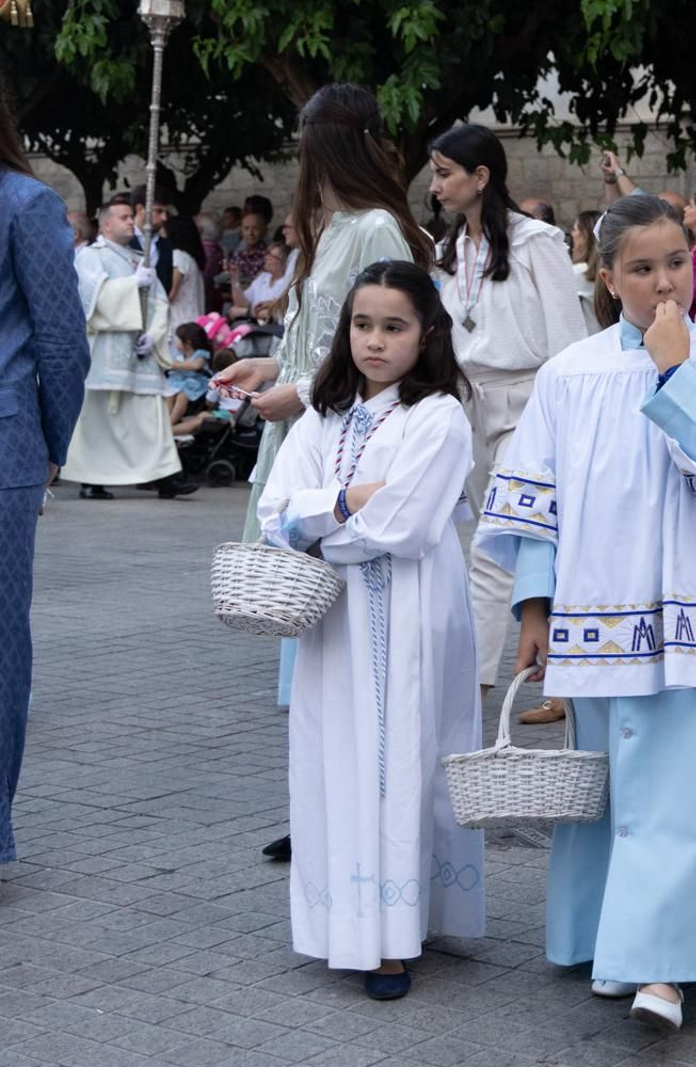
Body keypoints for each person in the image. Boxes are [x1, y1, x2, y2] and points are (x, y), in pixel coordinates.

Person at [476, 194, 696, 1033]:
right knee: (612, 786)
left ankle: (664, 965)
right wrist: (534, 605)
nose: (661, 284)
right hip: (599, 611)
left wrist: (675, 370)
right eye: (641, 269)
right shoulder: (568, 373)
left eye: (676, 264)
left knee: (679, 788)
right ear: (607, 276)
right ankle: (609, 938)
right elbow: (534, 498)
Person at [210, 83, 436, 863]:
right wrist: (268, 364)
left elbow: (387, 349)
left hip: (351, 446)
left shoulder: (375, 226)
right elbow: (325, 346)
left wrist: (299, 392)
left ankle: (355, 808)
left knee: (348, 641)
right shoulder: (335, 228)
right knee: (311, 644)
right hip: (308, 438)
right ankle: (319, 802)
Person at [257, 260, 485, 1001]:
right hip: (336, 619)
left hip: (415, 612)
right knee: (339, 757)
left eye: (394, 326)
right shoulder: (323, 415)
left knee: (405, 756)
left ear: (427, 334)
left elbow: (410, 525)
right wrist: (349, 502)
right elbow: (274, 512)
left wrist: (322, 520)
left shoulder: (439, 417)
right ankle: (345, 923)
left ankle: (395, 934)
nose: (375, 342)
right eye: (363, 324)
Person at [427, 123, 588, 708]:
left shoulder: (536, 240)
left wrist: (563, 419)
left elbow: (569, 342)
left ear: (481, 176)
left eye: (445, 172)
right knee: (497, 542)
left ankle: (478, 685)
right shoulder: (451, 251)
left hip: (530, 403)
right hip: (469, 402)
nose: (435, 184)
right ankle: (517, 680)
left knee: (510, 538)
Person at [0, 96, 91, 877]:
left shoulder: (23, 202)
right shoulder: (26, 202)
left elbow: (61, 340)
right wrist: (52, 442)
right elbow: (60, 339)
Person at [61, 194, 195, 500]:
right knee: (99, 418)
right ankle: (92, 479)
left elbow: (159, 300)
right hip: (107, 350)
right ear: (106, 224)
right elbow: (89, 298)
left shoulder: (138, 258)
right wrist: (130, 286)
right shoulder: (91, 256)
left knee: (151, 413)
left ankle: (165, 476)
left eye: (129, 217)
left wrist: (154, 332)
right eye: (122, 218)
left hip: (138, 349)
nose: (130, 222)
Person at [163, 213, 207, 334]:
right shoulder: (191, 258)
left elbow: (172, 293)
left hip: (180, 323)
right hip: (193, 319)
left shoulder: (179, 256)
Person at [166, 321, 215, 425]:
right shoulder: (180, 354)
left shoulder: (200, 354)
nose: (176, 342)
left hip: (196, 383)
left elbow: (196, 366)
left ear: (188, 343)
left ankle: (171, 422)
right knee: (168, 394)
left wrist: (178, 365)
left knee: (182, 396)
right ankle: (165, 418)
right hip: (180, 381)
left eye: (178, 340)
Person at [230, 242, 291, 321]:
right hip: (253, 324)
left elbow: (273, 314)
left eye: (272, 256)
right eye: (267, 254)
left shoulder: (286, 283)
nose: (266, 258)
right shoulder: (263, 277)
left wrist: (244, 312)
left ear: (283, 263)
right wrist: (234, 279)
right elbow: (242, 304)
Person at [229, 209, 269, 292]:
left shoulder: (268, 255)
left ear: (263, 231)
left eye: (255, 229)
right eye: (246, 229)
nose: (250, 233)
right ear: (241, 231)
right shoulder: (238, 255)